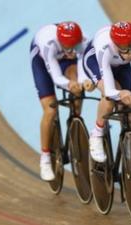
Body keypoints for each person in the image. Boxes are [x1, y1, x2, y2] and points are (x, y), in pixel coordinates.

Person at [30, 21, 94, 181]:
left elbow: (82, 64)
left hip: (64, 59)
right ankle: (45, 157)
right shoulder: (48, 44)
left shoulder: (83, 41)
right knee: (50, 110)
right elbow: (57, 77)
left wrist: (83, 81)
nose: (73, 50)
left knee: (78, 83)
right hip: (42, 62)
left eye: (75, 47)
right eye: (69, 47)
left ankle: (74, 123)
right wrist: (68, 84)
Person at [83, 21, 131, 163]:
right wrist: (119, 93)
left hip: (121, 66)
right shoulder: (104, 48)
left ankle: (128, 137)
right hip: (96, 62)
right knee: (111, 97)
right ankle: (96, 134)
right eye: (125, 48)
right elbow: (110, 91)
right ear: (116, 45)